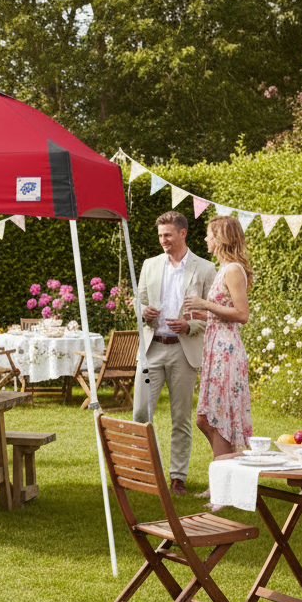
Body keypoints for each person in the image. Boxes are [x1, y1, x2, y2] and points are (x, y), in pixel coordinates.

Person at [133, 211, 217, 495]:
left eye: (168, 235)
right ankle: (144, 471)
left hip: (184, 353)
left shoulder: (205, 269)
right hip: (151, 351)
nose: (163, 241)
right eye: (160, 236)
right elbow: (138, 300)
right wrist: (143, 311)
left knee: (180, 416)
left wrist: (189, 325)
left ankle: (177, 477)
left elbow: (212, 314)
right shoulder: (150, 264)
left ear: (182, 233)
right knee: (141, 411)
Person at [183, 215, 253, 474]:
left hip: (227, 350)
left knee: (216, 417)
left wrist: (205, 305)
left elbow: (242, 314)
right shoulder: (223, 269)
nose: (205, 238)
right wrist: (199, 314)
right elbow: (223, 312)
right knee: (206, 419)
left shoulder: (234, 269)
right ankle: (226, 475)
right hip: (215, 347)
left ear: (221, 237)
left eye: (209, 234)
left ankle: (227, 477)